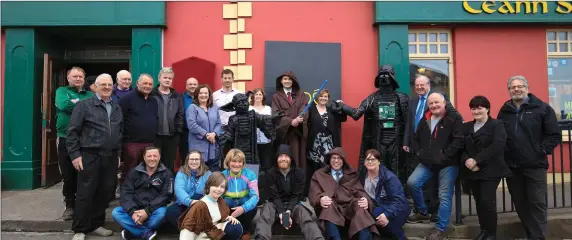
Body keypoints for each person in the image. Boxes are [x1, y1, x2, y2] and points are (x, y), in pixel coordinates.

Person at [497, 75, 561, 240]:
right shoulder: (505, 110)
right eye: (513, 87)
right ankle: (531, 235)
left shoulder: (542, 108)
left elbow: (554, 135)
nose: (516, 89)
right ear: (509, 90)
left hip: (535, 165)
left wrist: (540, 151)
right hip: (513, 166)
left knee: (537, 203)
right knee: (520, 204)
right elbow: (499, 135)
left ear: (527, 88)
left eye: (520, 86)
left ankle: (538, 237)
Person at [66, 73, 123, 240]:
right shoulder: (84, 106)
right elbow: (72, 132)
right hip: (89, 155)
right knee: (86, 192)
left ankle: (96, 224)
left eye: (109, 85)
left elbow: (119, 132)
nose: (106, 87)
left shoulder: (116, 106)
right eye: (103, 84)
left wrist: (118, 154)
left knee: (105, 192)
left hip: (111, 156)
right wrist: (75, 155)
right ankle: (80, 229)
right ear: (95, 87)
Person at [403, 74, 461, 222]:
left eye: (437, 103)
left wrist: (444, 156)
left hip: (446, 161)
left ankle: (440, 225)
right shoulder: (424, 115)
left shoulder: (451, 115)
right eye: (417, 85)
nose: (434, 105)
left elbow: (458, 139)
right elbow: (412, 129)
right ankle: (423, 212)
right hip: (426, 156)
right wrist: (417, 151)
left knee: (442, 193)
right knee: (413, 183)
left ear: (444, 103)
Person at [339, 65, 409, 182]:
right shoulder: (372, 98)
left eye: (387, 75)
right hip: (379, 140)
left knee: (395, 169)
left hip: (396, 141)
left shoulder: (401, 98)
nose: (384, 78)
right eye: (381, 75)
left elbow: (409, 122)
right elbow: (356, 114)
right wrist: (342, 106)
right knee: (378, 169)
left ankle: (397, 196)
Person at [461, 96, 511, 240]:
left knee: (487, 201)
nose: (476, 111)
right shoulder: (466, 127)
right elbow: (462, 147)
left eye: (480, 107)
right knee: (479, 201)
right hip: (472, 169)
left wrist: (477, 160)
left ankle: (491, 234)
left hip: (491, 169)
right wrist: (467, 161)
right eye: (473, 108)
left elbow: (497, 145)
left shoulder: (497, 125)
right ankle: (484, 230)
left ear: (487, 109)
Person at [254, 144, 324, 240]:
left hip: (293, 204)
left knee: (304, 213)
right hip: (275, 204)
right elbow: (274, 196)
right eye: (280, 156)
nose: (283, 159)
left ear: (291, 159)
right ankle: (261, 237)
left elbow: (297, 195)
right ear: (276, 158)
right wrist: (282, 213)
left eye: (286, 156)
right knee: (266, 211)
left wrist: (288, 211)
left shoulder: (299, 173)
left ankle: (317, 238)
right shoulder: (270, 173)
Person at [309, 147, 377, 240]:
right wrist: (320, 199)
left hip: (349, 209)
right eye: (333, 158)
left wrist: (366, 200)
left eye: (339, 158)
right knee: (329, 204)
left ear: (343, 161)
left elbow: (360, 191)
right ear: (329, 160)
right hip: (331, 210)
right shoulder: (319, 174)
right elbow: (313, 193)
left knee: (360, 204)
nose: (336, 161)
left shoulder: (352, 174)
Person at [54, 66, 93, 220]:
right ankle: (69, 205)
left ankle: (82, 205)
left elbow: (91, 110)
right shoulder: (61, 91)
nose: (78, 79)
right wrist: (82, 104)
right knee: (68, 175)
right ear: (68, 78)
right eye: (74, 76)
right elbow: (63, 105)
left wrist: (75, 102)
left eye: (80, 77)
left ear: (84, 79)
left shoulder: (90, 94)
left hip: (85, 139)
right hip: (64, 137)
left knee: (83, 173)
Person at [112, 146, 173, 240]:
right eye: (149, 156)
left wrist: (147, 211)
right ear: (144, 157)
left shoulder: (167, 174)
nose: (152, 158)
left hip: (154, 210)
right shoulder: (134, 172)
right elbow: (126, 193)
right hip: (135, 209)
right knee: (116, 212)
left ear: (159, 157)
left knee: (162, 214)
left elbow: (167, 196)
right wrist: (132, 212)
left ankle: (132, 232)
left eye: (155, 156)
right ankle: (145, 232)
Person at [219, 92, 279, 175]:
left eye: (245, 101)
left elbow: (263, 119)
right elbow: (229, 134)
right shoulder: (233, 118)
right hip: (237, 150)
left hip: (252, 152)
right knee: (237, 172)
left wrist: (274, 117)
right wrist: (225, 142)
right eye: (240, 103)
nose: (244, 104)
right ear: (235, 106)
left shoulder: (253, 115)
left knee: (251, 175)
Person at [117, 74, 158, 186]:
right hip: (132, 143)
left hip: (149, 143)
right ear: (137, 83)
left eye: (150, 84)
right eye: (145, 83)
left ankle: (141, 193)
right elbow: (119, 121)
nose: (148, 86)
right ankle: (125, 193)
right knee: (130, 170)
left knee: (146, 171)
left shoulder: (153, 101)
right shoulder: (126, 99)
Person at [360, 149, 409, 240]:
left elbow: (399, 201)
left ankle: (401, 236)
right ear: (364, 162)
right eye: (368, 159)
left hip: (397, 209)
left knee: (376, 214)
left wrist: (386, 214)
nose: (370, 162)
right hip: (378, 206)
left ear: (379, 162)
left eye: (373, 159)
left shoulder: (389, 177)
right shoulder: (363, 175)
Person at [179, 172, 243, 240]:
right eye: (215, 186)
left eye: (222, 187)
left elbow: (219, 217)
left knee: (235, 227)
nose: (218, 189)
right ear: (209, 186)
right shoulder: (200, 205)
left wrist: (228, 218)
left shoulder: (220, 201)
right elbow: (188, 229)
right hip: (202, 237)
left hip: (214, 233)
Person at [306, 89, 346, 196]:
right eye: (321, 96)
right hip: (315, 144)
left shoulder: (331, 110)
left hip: (329, 143)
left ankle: (329, 190)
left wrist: (341, 107)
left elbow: (343, 118)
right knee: (314, 168)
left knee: (328, 167)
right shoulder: (311, 109)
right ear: (317, 98)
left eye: (326, 97)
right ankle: (314, 192)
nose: (323, 98)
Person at [271, 71, 309, 171]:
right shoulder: (276, 96)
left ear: (293, 81)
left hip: (297, 135)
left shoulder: (301, 95)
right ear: (281, 81)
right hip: (284, 134)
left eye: (289, 79)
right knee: (284, 161)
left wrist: (300, 118)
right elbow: (276, 114)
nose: (287, 81)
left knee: (297, 161)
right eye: (285, 79)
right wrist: (290, 121)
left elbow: (304, 108)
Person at [165, 150, 213, 228]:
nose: (194, 162)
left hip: (201, 202)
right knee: (170, 212)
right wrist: (189, 202)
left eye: (196, 159)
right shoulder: (181, 173)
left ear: (201, 161)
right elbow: (179, 189)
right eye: (191, 159)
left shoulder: (208, 173)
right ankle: (185, 230)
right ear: (187, 160)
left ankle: (195, 231)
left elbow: (211, 190)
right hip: (184, 202)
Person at [152, 67, 185, 173]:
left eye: (170, 78)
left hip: (172, 136)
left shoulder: (177, 96)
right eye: (165, 77)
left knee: (169, 164)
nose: (167, 80)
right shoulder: (152, 94)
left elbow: (180, 114)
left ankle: (168, 187)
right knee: (153, 162)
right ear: (159, 78)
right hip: (155, 136)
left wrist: (178, 132)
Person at [222, 149, 259, 240]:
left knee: (248, 204)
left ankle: (245, 232)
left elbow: (255, 196)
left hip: (245, 206)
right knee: (224, 203)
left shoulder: (250, 174)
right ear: (228, 162)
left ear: (243, 163)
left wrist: (243, 208)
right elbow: (218, 196)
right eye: (233, 161)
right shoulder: (222, 175)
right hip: (229, 205)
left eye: (240, 162)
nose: (237, 164)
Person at [187, 84, 222, 171]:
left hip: (213, 145)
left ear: (209, 95)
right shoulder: (192, 108)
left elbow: (218, 123)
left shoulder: (214, 107)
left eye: (206, 93)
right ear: (197, 95)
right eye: (201, 93)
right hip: (198, 145)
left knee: (213, 171)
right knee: (199, 171)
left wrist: (214, 134)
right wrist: (206, 135)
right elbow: (192, 125)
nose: (203, 95)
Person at [249, 88, 274, 172]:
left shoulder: (268, 109)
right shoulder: (249, 109)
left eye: (260, 94)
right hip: (253, 143)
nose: (258, 96)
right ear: (253, 96)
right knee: (254, 166)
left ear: (263, 96)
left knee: (267, 165)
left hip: (266, 141)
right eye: (256, 94)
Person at [181, 77, 199, 162]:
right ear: (186, 86)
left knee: (198, 155)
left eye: (195, 84)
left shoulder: (202, 97)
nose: (193, 86)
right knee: (185, 155)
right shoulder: (180, 98)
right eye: (190, 84)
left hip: (200, 132)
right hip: (185, 132)